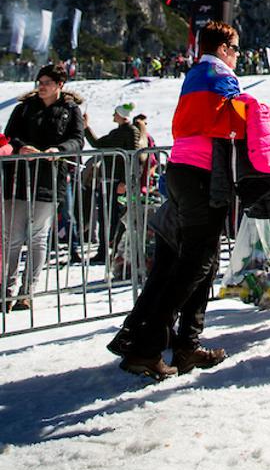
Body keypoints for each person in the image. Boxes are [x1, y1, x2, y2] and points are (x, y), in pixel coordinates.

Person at [109, 20, 247, 379]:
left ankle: (186, 344)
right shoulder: (219, 75)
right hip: (202, 175)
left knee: (203, 260)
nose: (236, 57)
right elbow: (229, 124)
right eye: (234, 50)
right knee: (197, 263)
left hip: (182, 171)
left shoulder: (193, 74)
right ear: (222, 49)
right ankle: (149, 346)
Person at [3, 62, 85, 311]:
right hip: (18, 177)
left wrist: (58, 151)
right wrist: (21, 147)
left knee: (38, 237)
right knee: (12, 237)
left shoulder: (70, 110)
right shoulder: (24, 108)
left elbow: (77, 140)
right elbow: (9, 135)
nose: (42, 87)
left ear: (60, 85)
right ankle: (6, 288)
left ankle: (27, 291)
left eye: (47, 83)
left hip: (49, 179)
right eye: (40, 82)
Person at [82, 101, 142, 263]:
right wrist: (86, 127)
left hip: (117, 181)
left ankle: (114, 249)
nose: (113, 116)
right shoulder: (118, 132)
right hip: (109, 180)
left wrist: (125, 180)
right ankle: (104, 249)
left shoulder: (130, 131)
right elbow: (99, 144)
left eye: (115, 113)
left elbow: (133, 156)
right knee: (105, 217)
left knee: (115, 218)